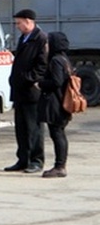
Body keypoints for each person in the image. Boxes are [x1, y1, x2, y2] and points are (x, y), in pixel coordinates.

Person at [6, 8, 49, 173]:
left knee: (34, 128)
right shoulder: (24, 38)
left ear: (29, 21)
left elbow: (42, 65)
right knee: (21, 128)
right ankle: (23, 159)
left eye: (19, 23)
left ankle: (36, 160)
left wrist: (28, 78)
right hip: (19, 91)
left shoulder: (41, 39)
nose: (17, 26)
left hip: (32, 91)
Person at [37, 32, 72, 178]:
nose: (46, 46)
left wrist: (40, 84)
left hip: (56, 103)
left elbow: (56, 82)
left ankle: (60, 166)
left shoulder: (56, 60)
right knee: (59, 133)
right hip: (62, 102)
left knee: (57, 133)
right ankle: (60, 165)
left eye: (48, 42)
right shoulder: (64, 59)